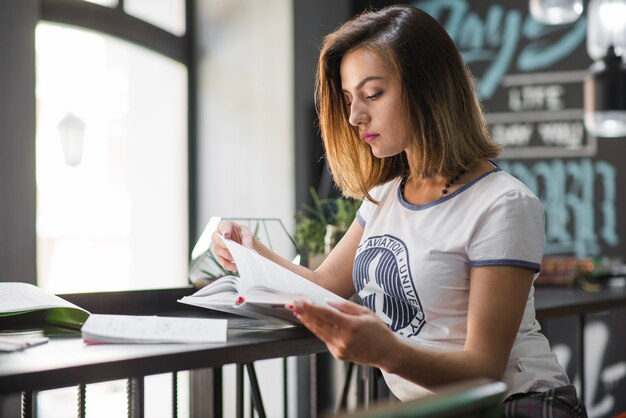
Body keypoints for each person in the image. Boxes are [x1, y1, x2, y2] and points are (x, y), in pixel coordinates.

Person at [211, 5, 586, 418]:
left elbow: (485, 370)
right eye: (350, 99)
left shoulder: (502, 204)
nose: (355, 116)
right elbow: (322, 285)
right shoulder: (385, 196)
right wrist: (250, 250)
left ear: (429, 88)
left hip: (520, 405)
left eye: (373, 94)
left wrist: (387, 352)